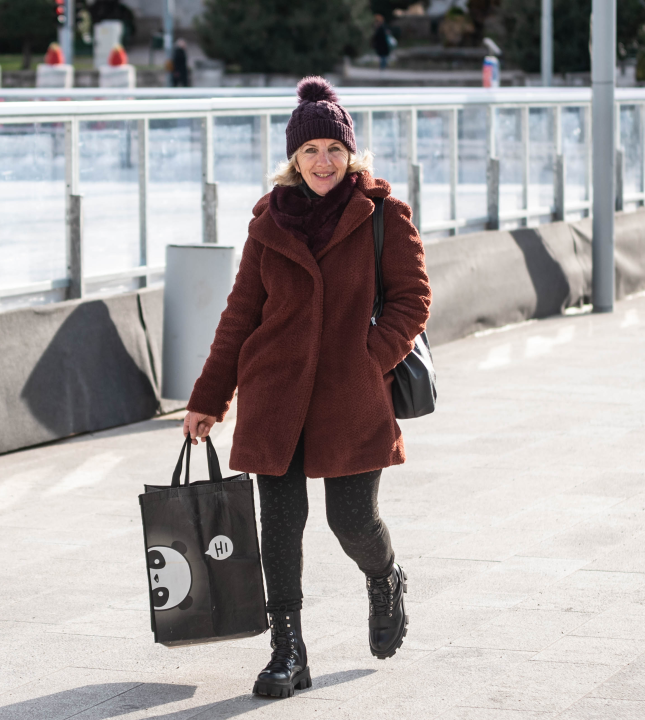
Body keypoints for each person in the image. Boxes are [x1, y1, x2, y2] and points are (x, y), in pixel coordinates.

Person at [182, 76, 431, 698]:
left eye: (334, 150)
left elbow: (413, 299)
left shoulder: (383, 215)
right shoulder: (269, 220)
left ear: (352, 154)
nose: (324, 161)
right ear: (294, 158)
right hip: (277, 395)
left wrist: (370, 357)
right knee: (281, 523)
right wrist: (209, 399)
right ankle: (287, 651)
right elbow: (241, 315)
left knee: (352, 521)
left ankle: (385, 578)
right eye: (311, 151)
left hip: (350, 394)